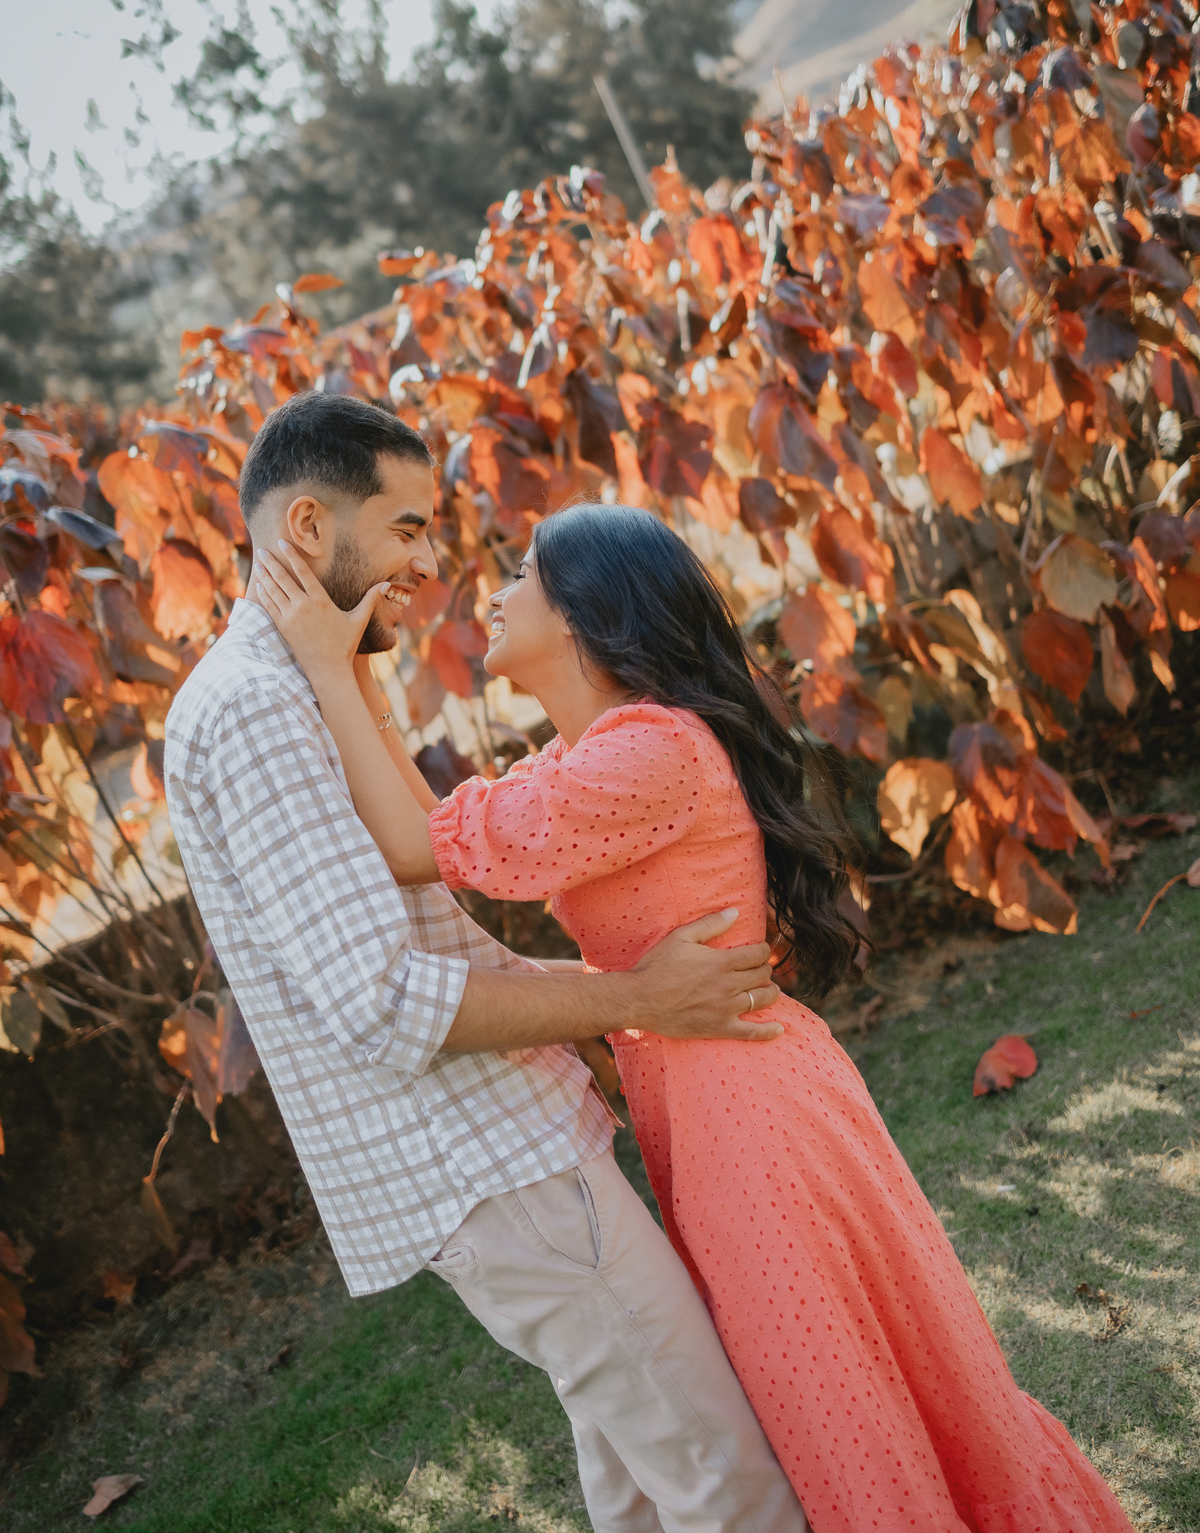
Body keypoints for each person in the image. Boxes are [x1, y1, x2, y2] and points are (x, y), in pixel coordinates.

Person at [255, 493, 1137, 1533]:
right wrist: (358, 676)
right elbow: (445, 832)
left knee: (834, 1402)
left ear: (583, 613)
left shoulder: (650, 756)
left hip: (749, 1117)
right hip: (723, 1095)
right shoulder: (602, 752)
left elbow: (413, 849)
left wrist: (328, 669)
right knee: (840, 1387)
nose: (494, 592)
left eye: (523, 575)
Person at [165, 393, 809, 1533]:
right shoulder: (256, 707)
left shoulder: (301, 685)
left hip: (507, 1154)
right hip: (491, 1166)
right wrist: (637, 998)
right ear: (309, 527)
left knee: (641, 1484)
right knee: (729, 1480)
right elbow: (381, 1000)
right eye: (407, 529)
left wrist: (591, 1007)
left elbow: (426, 910)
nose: (430, 565)